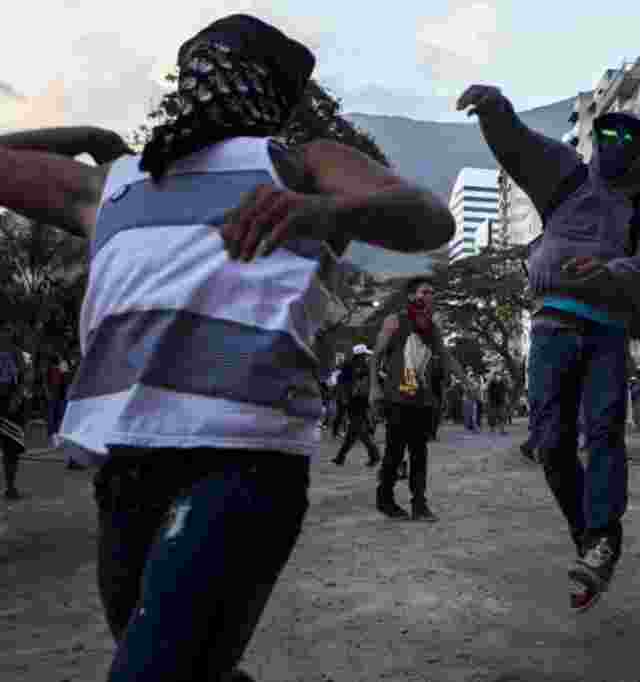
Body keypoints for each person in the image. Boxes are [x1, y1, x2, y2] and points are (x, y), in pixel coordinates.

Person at [0, 14, 454, 681]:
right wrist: (89, 138)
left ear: (270, 89)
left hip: (240, 457)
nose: (206, 83)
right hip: (126, 460)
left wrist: (333, 213)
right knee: (187, 663)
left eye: (225, 69)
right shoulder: (112, 181)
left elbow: (428, 218)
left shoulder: (302, 162)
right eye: (197, 68)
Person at [458, 83, 640, 612]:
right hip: (552, 327)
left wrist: (610, 271)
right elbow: (519, 146)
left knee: (604, 431)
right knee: (551, 442)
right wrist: (495, 110)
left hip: (607, 331)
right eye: (608, 135)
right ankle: (590, 538)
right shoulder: (566, 178)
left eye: (630, 140)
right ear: (596, 143)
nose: (617, 145)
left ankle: (604, 535)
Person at [370, 277, 466, 522]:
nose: (431, 295)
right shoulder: (395, 322)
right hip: (397, 398)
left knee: (419, 454)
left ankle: (419, 504)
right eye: (426, 291)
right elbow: (376, 356)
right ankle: (385, 499)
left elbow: (445, 356)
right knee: (394, 452)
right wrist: (374, 388)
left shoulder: (432, 328)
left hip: (422, 401)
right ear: (413, 296)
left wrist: (467, 382)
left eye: (432, 292)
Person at [332, 345, 381, 467]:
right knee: (353, 432)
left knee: (359, 431)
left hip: (359, 401)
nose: (366, 356)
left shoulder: (362, 366)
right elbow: (342, 382)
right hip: (355, 401)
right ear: (359, 356)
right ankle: (340, 457)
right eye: (364, 355)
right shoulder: (351, 366)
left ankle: (374, 455)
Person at [0, 334, 26, 500]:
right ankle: (10, 486)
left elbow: (24, 379)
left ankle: (10, 486)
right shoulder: (17, 353)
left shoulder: (17, 354)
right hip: (10, 405)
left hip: (11, 406)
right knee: (11, 450)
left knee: (11, 450)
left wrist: (16, 399)